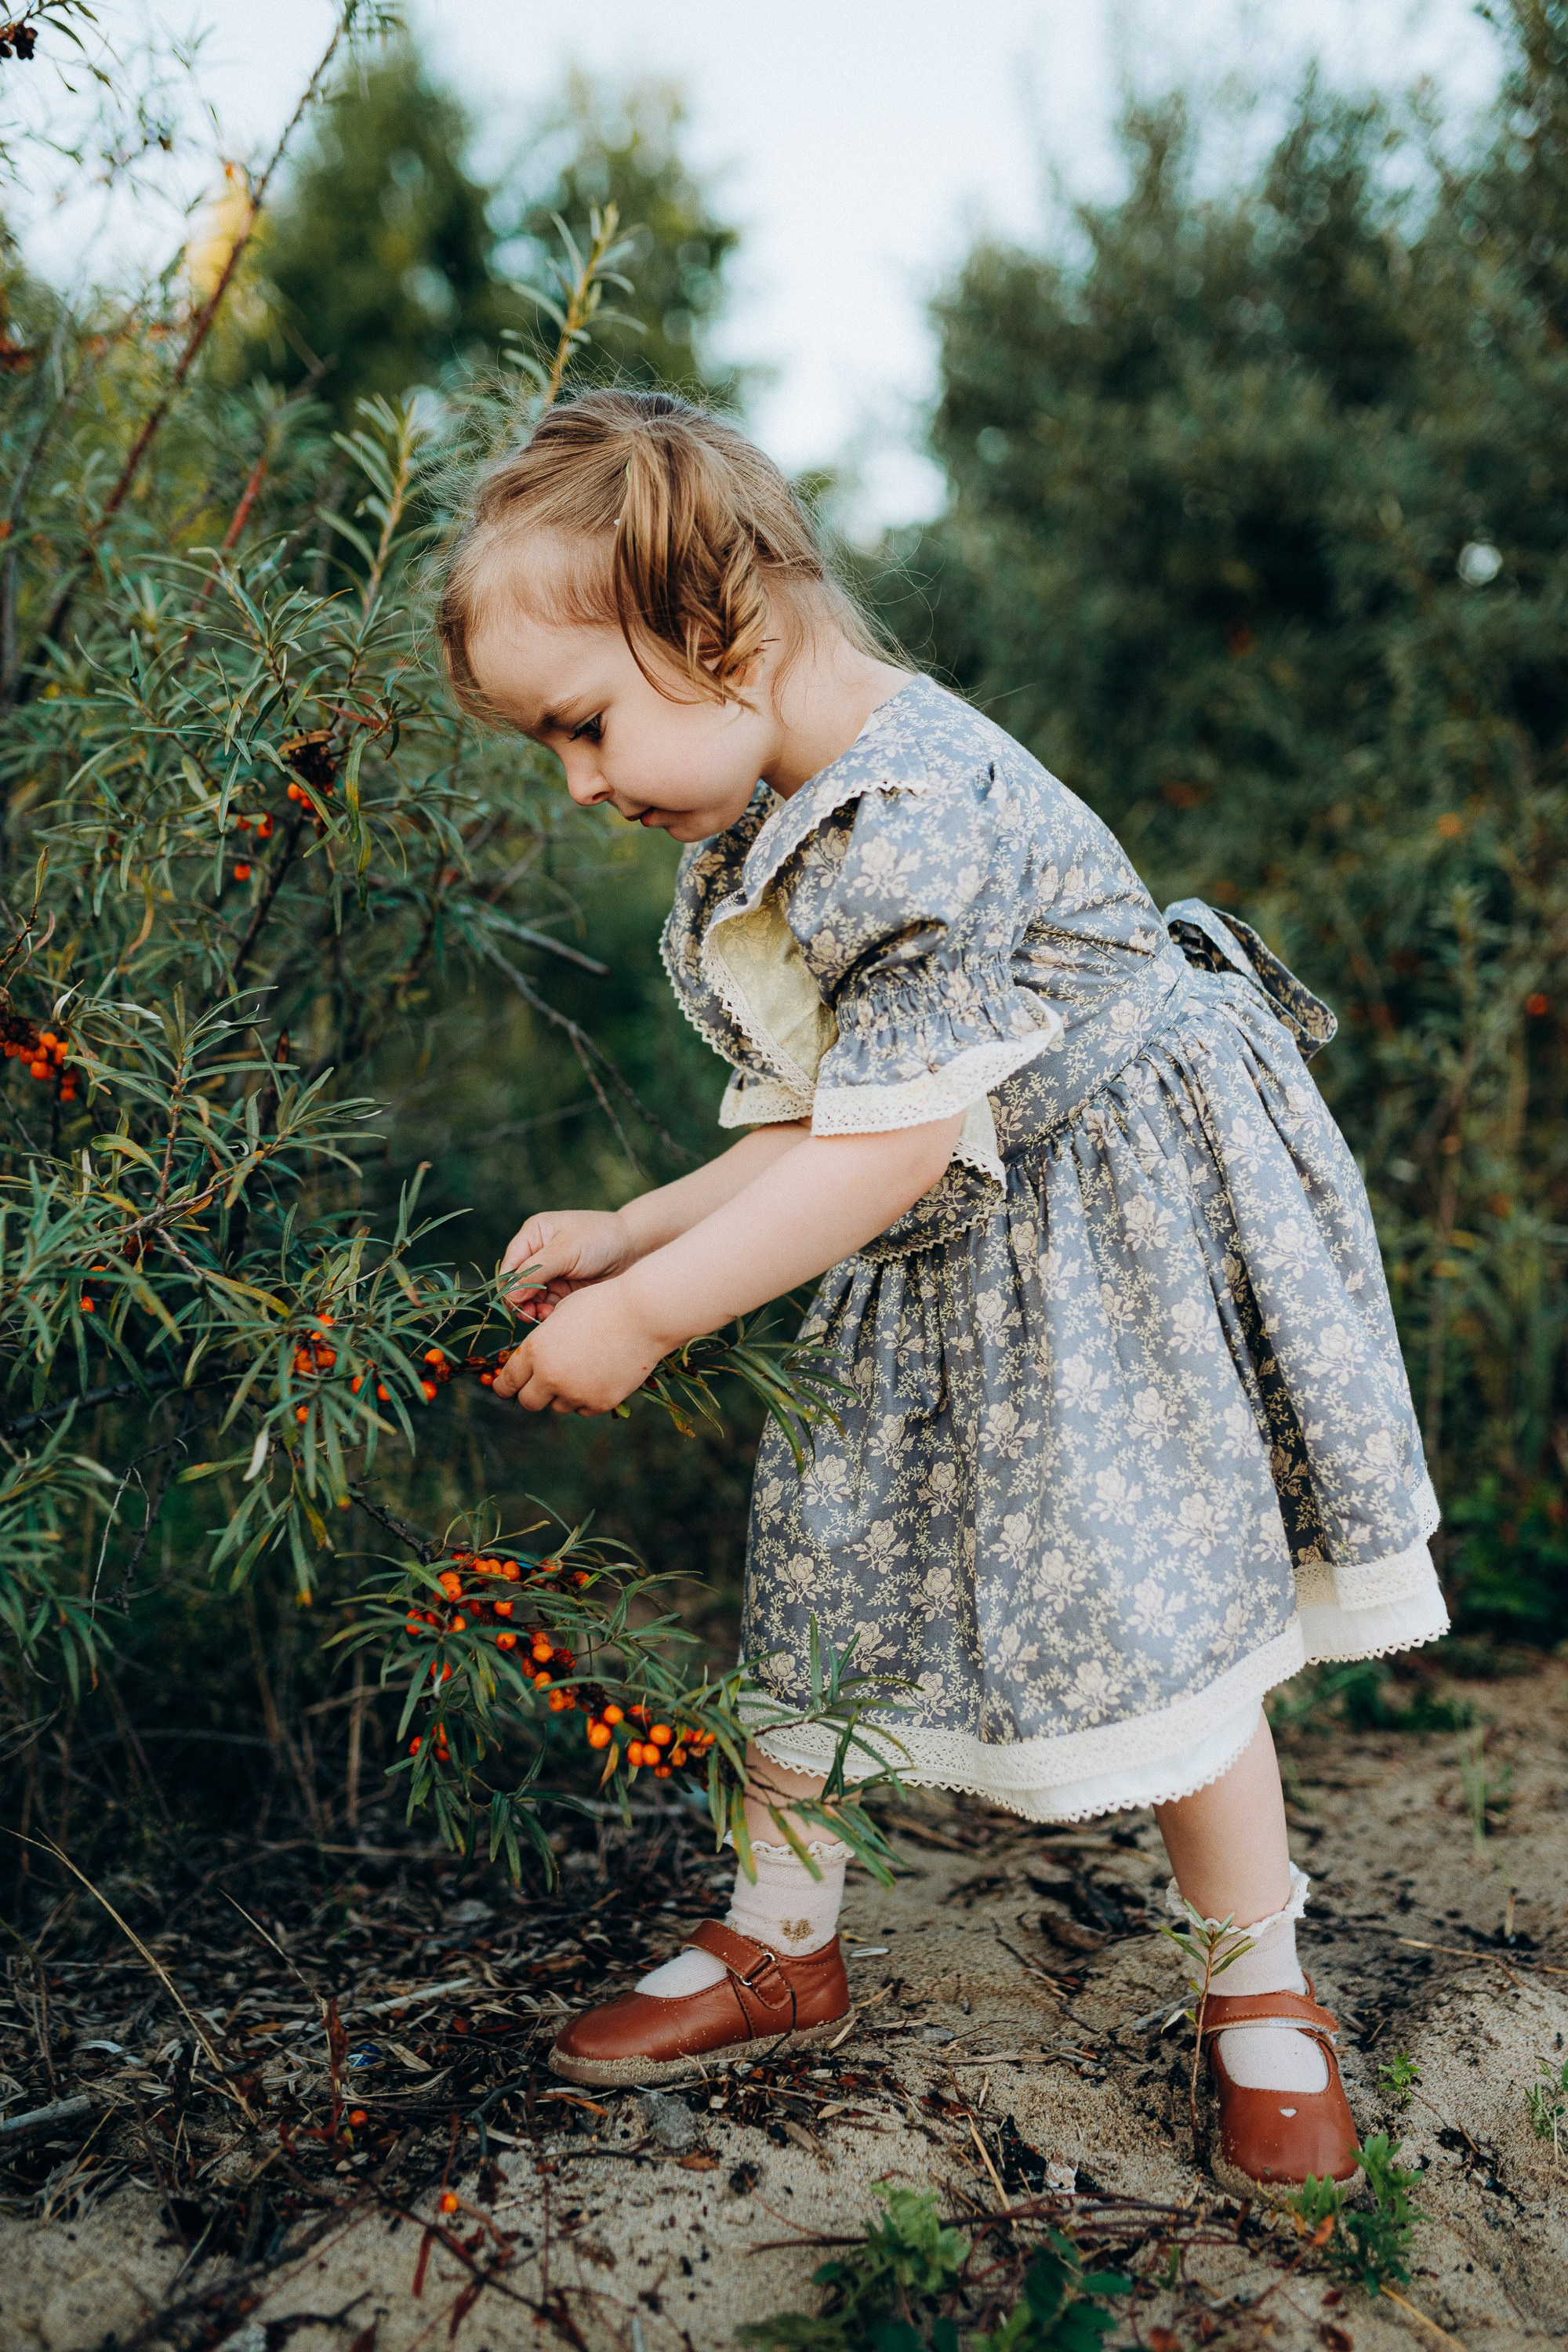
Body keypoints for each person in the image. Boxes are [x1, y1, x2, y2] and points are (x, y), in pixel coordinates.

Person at [436, 388, 1446, 2190]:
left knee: (1167, 1619)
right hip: (939, 1242)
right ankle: (781, 1936)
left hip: (1100, 1249)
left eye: (581, 726)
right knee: (818, 1560)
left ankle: (1256, 1991)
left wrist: (656, 1316)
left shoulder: (913, 815)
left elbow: (886, 1151)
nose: (579, 783)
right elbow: (845, 1117)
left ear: (716, 625)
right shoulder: (786, 809)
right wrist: (637, 1231)